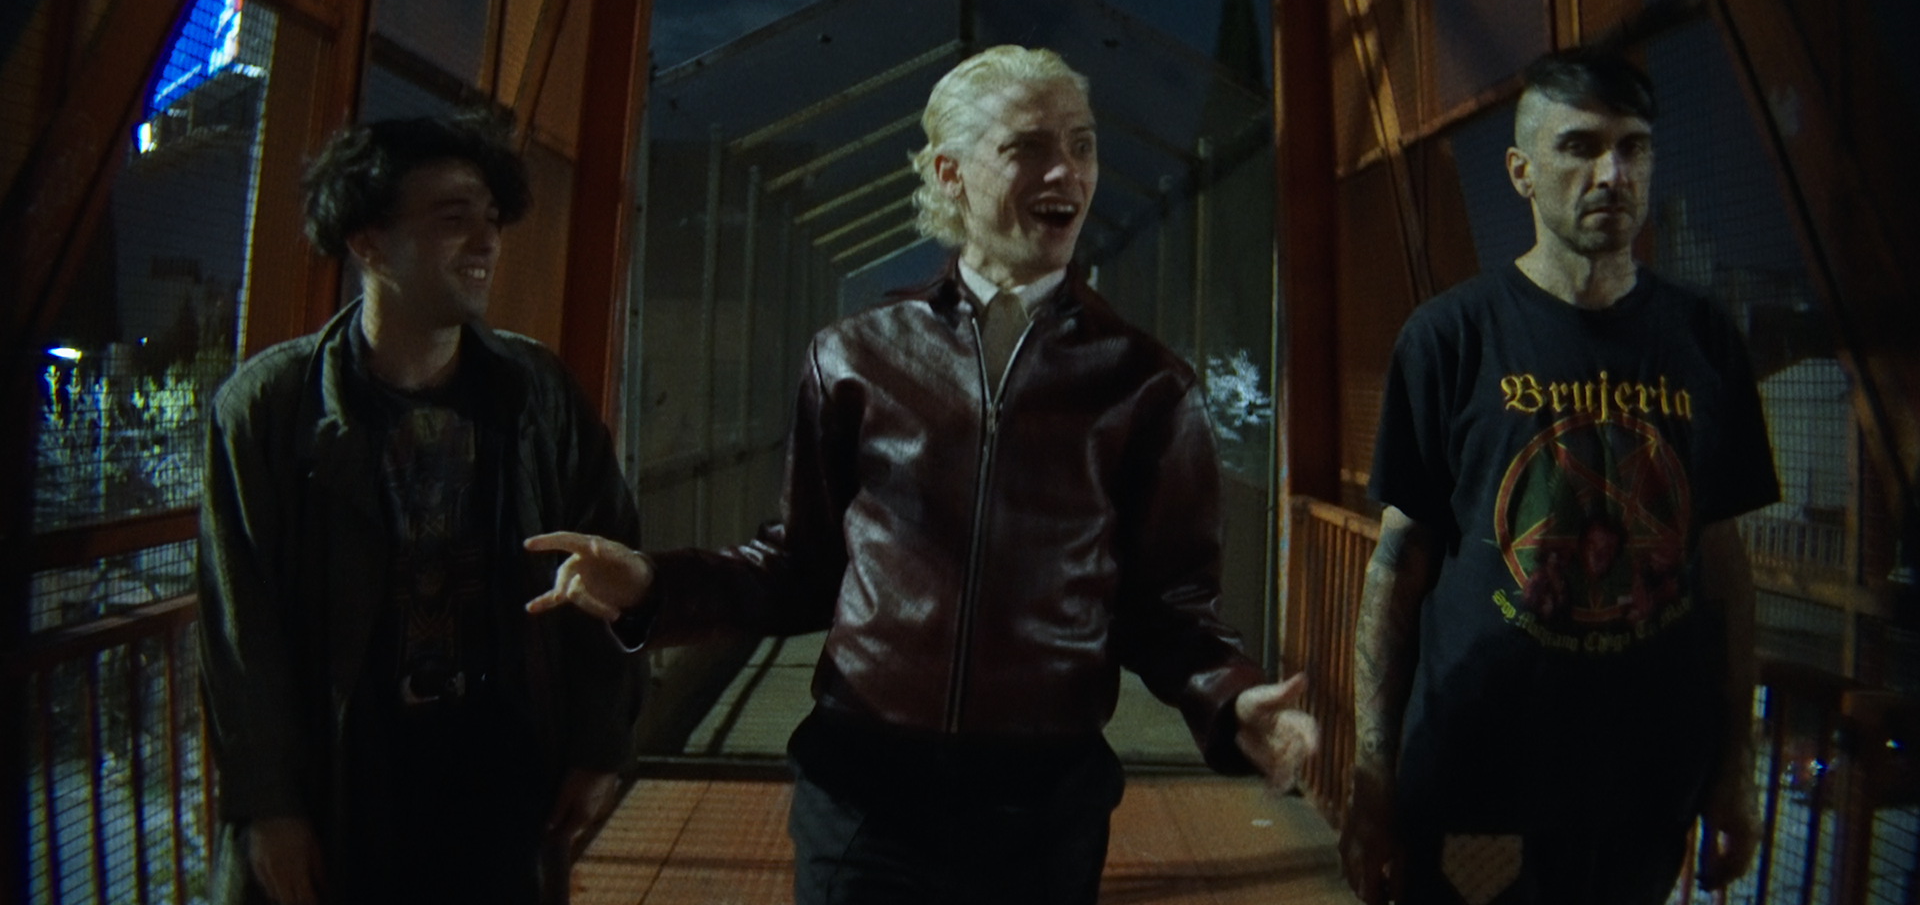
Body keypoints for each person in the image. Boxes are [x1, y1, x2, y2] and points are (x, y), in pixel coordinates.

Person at [523, 45, 1318, 905]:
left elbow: (1170, 610)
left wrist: (1233, 700)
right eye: (1028, 146)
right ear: (950, 173)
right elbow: (798, 569)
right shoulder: (856, 356)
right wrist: (651, 587)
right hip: (864, 791)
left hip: (1043, 807)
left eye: (1083, 145)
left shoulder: (1146, 386)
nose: (1067, 172)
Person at [1340, 47, 1780, 905]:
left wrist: (1735, 770)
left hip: (1645, 794)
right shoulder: (1450, 338)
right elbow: (1398, 566)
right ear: (1521, 172)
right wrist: (1372, 772)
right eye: (1579, 146)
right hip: (1480, 785)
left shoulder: (1704, 340)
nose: (1612, 173)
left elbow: (1725, 569)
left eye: (1633, 147)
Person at [197, 111, 642, 905]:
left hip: (499, 779)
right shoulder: (268, 409)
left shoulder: (534, 392)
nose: (485, 241)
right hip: (348, 785)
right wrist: (269, 805)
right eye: (451, 218)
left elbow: (607, 569)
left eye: (491, 217)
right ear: (368, 242)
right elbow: (241, 626)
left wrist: (601, 745)